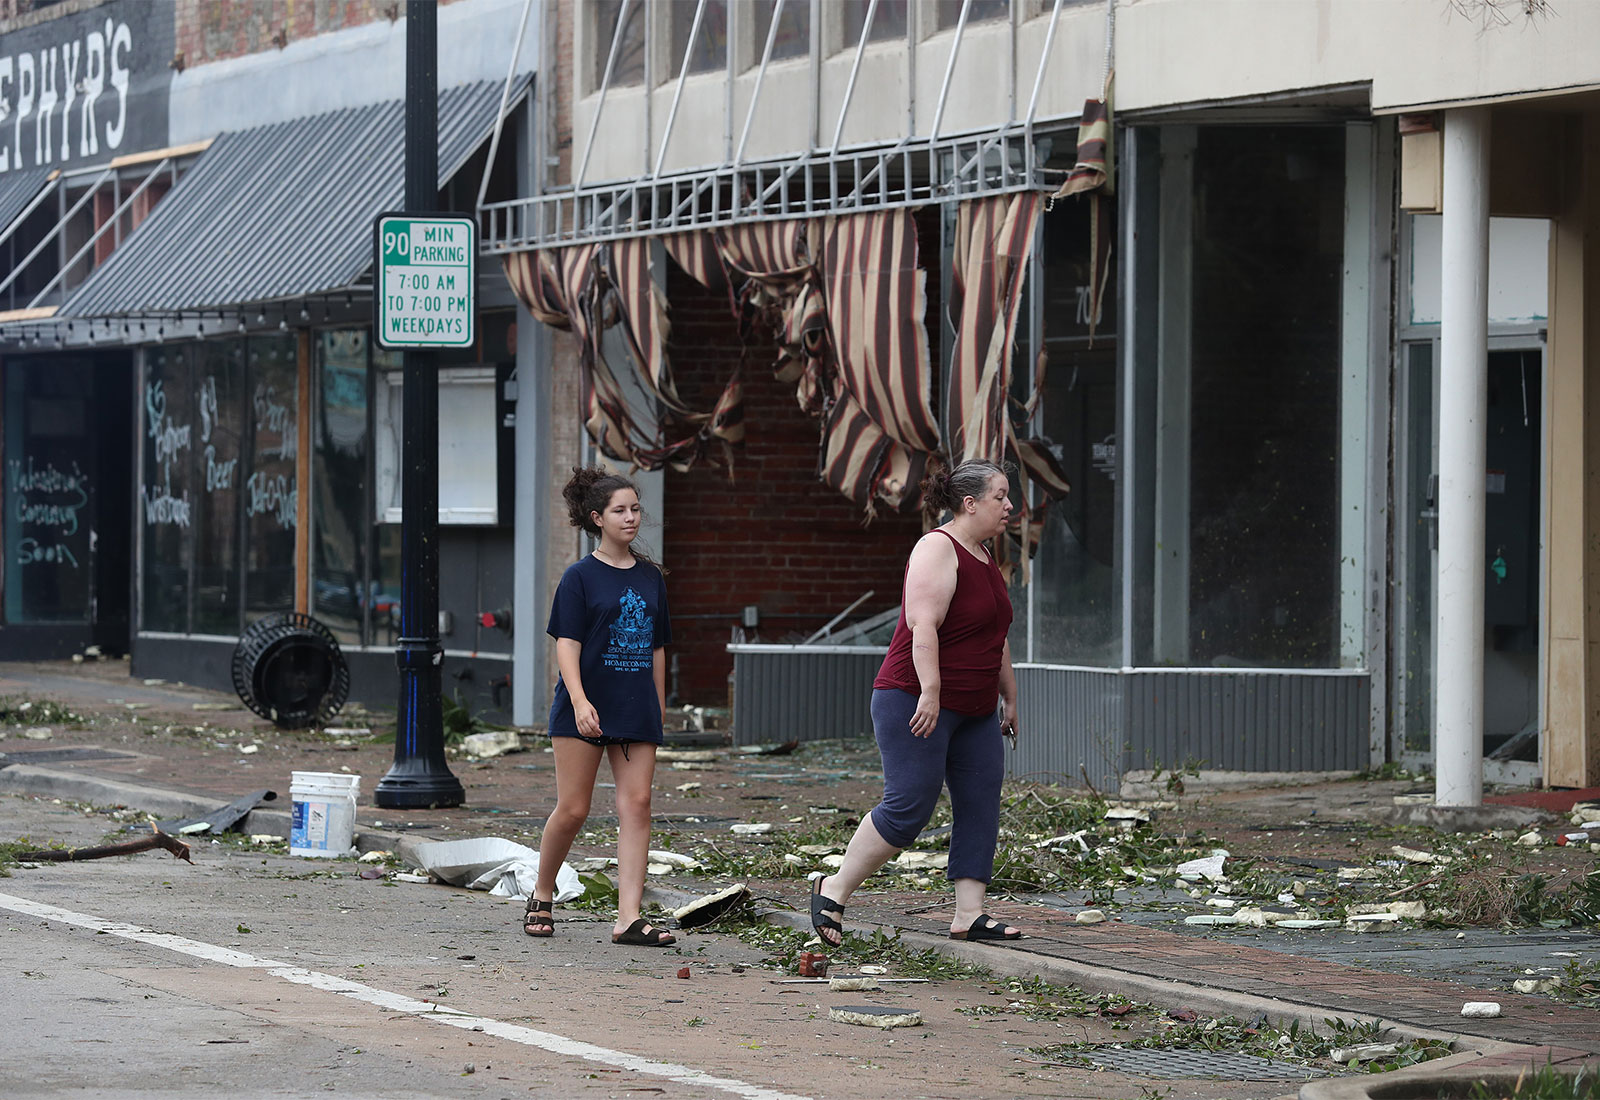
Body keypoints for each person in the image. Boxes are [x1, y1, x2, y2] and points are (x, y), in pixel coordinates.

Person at [808, 459, 1024, 945]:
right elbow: (921, 626)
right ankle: (833, 889)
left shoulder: (986, 557)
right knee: (908, 807)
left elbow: (996, 634)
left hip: (974, 709)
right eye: (1000, 496)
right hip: (913, 697)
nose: (1009, 505)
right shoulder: (936, 549)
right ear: (970, 503)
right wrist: (930, 692)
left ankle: (969, 915)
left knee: (980, 801)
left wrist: (1009, 697)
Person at [522, 467, 676, 947]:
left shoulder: (652, 577)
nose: (631, 518)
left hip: (636, 706)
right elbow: (566, 645)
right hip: (583, 708)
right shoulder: (579, 577)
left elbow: (656, 647)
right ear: (597, 518)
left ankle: (628, 917)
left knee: (638, 805)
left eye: (635, 509)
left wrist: (659, 704)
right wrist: (581, 700)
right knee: (573, 808)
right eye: (620, 511)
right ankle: (542, 895)